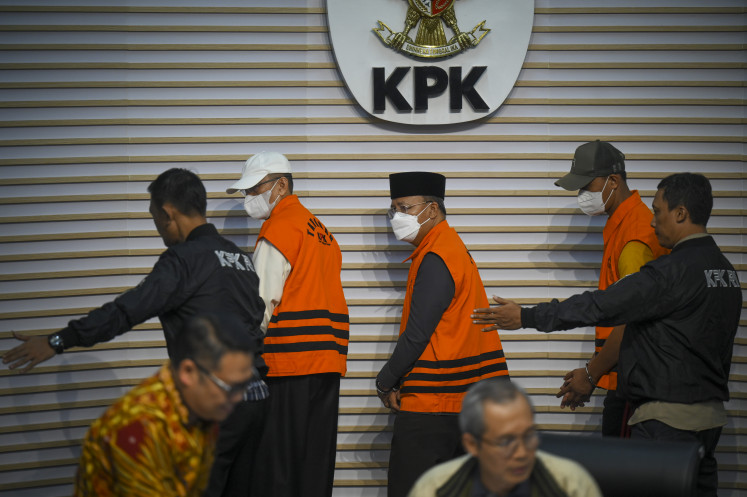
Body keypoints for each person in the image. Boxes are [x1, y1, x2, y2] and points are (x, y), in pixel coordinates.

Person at [472, 173, 742, 497]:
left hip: (666, 423)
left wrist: (527, 316)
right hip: (709, 420)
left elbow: (599, 306)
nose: (653, 222)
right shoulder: (725, 271)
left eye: (658, 211)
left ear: (681, 214)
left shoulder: (670, 274)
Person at [2, 168, 267, 497]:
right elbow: (256, 320)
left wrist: (58, 341)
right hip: (256, 400)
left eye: (154, 217)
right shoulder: (240, 260)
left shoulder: (182, 260)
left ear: (167, 213)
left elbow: (126, 310)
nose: (157, 227)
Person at [377, 171, 510, 497]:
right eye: (393, 209)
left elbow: (418, 334)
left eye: (405, 208)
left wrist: (386, 379)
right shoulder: (451, 249)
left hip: (434, 408)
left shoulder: (437, 257)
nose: (398, 217)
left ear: (432, 209)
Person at [226, 151, 349, 497]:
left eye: (254, 189)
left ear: (281, 185)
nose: (249, 198)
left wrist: (238, 358)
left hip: (288, 364)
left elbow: (260, 304)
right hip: (326, 364)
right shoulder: (321, 231)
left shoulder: (279, 229)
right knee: (314, 462)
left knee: (276, 466)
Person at [553, 140, 668, 437]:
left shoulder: (634, 237)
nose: (582, 196)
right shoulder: (625, 224)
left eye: (586, 186)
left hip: (635, 383)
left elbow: (630, 317)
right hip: (628, 374)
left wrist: (591, 374)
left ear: (613, 181)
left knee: (623, 478)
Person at [75, 313, 257, 497]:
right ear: (188, 372)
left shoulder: (204, 409)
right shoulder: (138, 427)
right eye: (230, 387)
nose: (239, 397)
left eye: (244, 384)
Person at [408, 378, 602, 497]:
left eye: (528, 436)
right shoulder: (435, 488)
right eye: (506, 441)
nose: (521, 453)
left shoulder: (571, 484)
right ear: (472, 444)